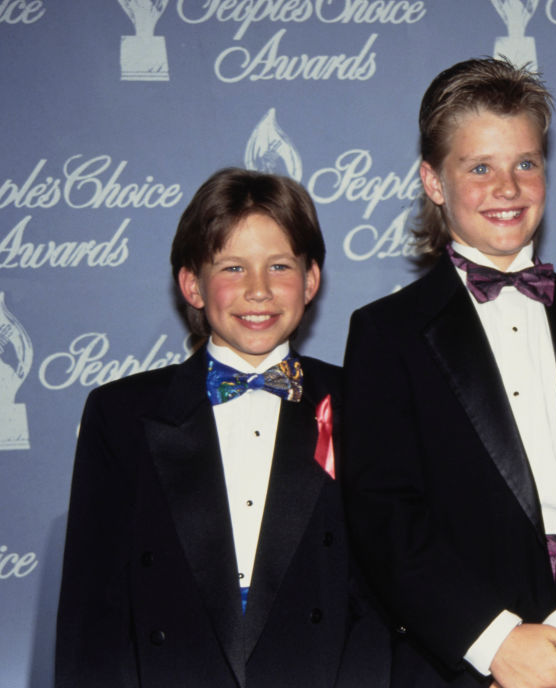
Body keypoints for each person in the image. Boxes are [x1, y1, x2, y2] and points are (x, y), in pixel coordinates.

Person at [342, 57, 556, 688]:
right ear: (434, 181)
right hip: (462, 666)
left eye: (526, 163)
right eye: (479, 168)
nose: (508, 187)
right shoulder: (387, 333)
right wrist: (498, 646)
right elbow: (385, 515)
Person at [55, 167, 388, 688]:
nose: (259, 290)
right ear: (192, 284)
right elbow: (92, 614)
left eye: (279, 266)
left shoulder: (362, 404)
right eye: (233, 267)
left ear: (311, 280)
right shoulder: (121, 415)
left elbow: (384, 600)